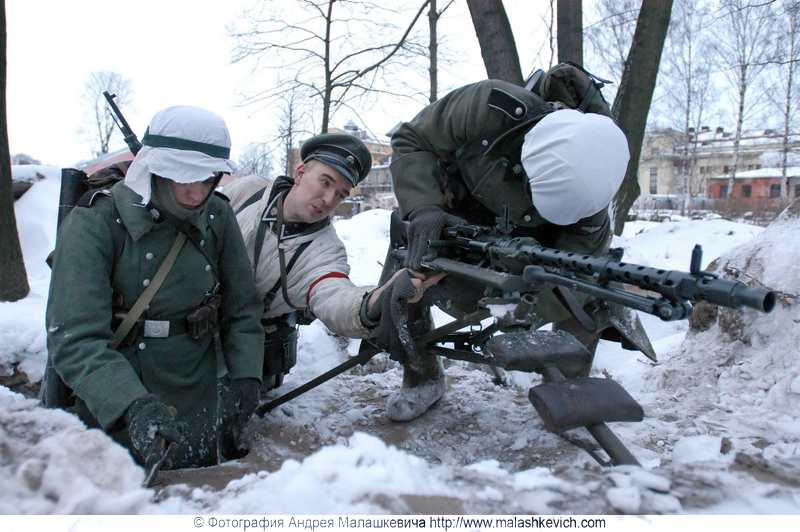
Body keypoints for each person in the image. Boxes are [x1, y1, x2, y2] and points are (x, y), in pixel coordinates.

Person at [383, 77, 656, 422]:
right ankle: (422, 376)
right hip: (453, 222)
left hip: (532, 258)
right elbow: (411, 138)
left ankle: (570, 388)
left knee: (594, 288)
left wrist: (526, 306)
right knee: (408, 267)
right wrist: (424, 207)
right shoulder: (488, 106)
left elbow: (575, 274)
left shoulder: (592, 202)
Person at [46, 105, 264, 470]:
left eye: (207, 179)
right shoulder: (95, 222)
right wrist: (131, 404)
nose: (197, 193)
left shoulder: (218, 215)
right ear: (157, 170)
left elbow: (242, 308)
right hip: (119, 393)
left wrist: (246, 376)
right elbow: (75, 338)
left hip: (198, 388)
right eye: (185, 178)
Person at [224, 133, 438, 392]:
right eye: (325, 182)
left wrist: (378, 300)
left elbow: (335, 297)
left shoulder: (325, 251)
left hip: (245, 353)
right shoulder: (248, 192)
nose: (328, 200)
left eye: (340, 194)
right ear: (300, 173)